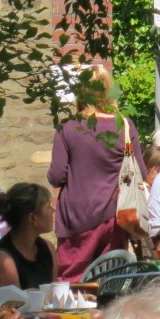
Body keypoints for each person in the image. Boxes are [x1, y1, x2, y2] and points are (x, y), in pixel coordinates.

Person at [47, 65, 145, 281]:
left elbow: (56, 176)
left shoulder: (69, 127)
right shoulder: (125, 126)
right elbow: (141, 171)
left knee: (72, 281)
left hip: (76, 217)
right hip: (114, 215)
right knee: (109, 280)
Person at [0, 183, 56, 296]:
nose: (53, 210)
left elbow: (52, 298)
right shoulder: (2, 260)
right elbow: (14, 309)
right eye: (48, 207)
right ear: (33, 218)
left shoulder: (48, 249)